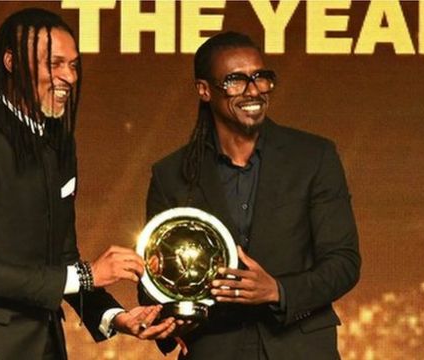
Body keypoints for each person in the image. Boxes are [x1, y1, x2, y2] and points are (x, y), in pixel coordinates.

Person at [0, 8, 175, 360]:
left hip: (44, 344)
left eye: (73, 65)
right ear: (11, 62)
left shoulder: (58, 144)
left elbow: (62, 258)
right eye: (54, 64)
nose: (68, 77)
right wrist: (89, 275)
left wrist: (116, 316)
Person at [142, 32, 361, 359]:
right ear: (204, 90)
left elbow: (344, 262)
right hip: (215, 349)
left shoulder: (314, 157)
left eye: (261, 77)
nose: (253, 89)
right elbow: (153, 281)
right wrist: (175, 318)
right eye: (235, 80)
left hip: (301, 348)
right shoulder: (171, 174)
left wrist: (277, 291)